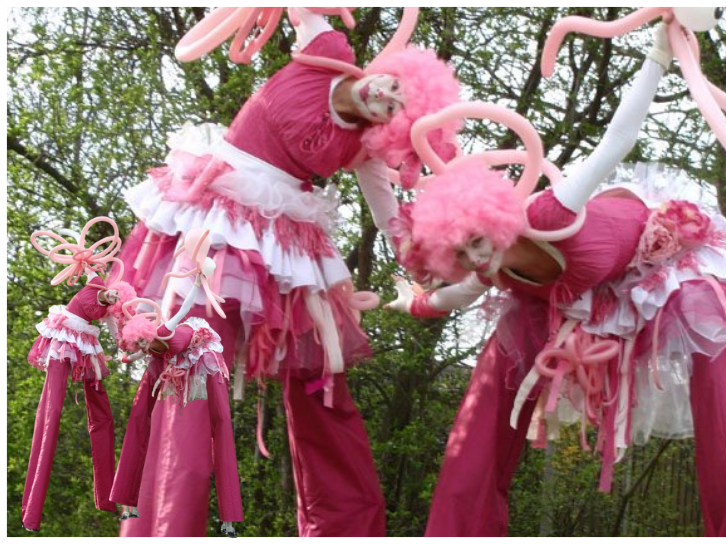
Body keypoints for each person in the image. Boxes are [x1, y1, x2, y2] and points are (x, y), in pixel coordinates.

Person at [388, 25, 726, 537]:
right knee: (497, 370)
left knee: (715, 342)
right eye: (461, 253)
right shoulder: (494, 270)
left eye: (476, 241)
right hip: (585, 297)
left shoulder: (552, 213)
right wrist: (409, 305)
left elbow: (617, 139)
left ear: (494, 219)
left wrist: (659, 53)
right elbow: (456, 295)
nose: (476, 258)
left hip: (665, 264)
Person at [114, 8, 461, 537]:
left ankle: (345, 527)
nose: (384, 99)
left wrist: (420, 257)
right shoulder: (330, 54)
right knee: (193, 363)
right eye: (394, 88)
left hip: (289, 247)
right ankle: (163, 526)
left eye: (394, 109)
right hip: (223, 219)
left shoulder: (362, 146)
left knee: (322, 381)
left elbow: (388, 212)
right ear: (391, 69)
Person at [111, 245, 242, 538]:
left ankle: (229, 518)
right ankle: (129, 503)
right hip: (181, 368)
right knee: (140, 418)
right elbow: (130, 355)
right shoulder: (152, 353)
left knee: (219, 425)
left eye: (143, 343)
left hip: (206, 358)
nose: (142, 348)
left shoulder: (167, 329)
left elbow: (184, 309)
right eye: (141, 346)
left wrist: (196, 284)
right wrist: (121, 354)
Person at [24, 222, 136, 531]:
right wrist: (89, 263)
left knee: (102, 415)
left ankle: (106, 496)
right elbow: (94, 282)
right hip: (66, 340)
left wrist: (127, 348)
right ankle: (31, 508)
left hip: (87, 345)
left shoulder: (111, 302)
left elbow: (116, 332)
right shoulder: (96, 285)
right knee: (52, 411)